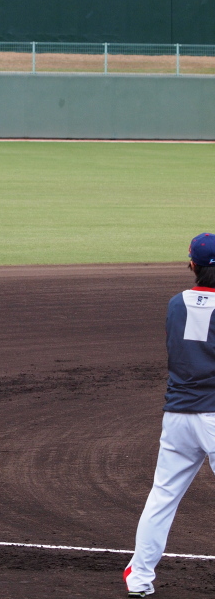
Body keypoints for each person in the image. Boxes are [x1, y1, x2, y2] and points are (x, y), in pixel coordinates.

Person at [123, 232, 215, 598]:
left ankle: (140, 579)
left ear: (192, 265)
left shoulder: (176, 304)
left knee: (162, 498)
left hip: (178, 415)